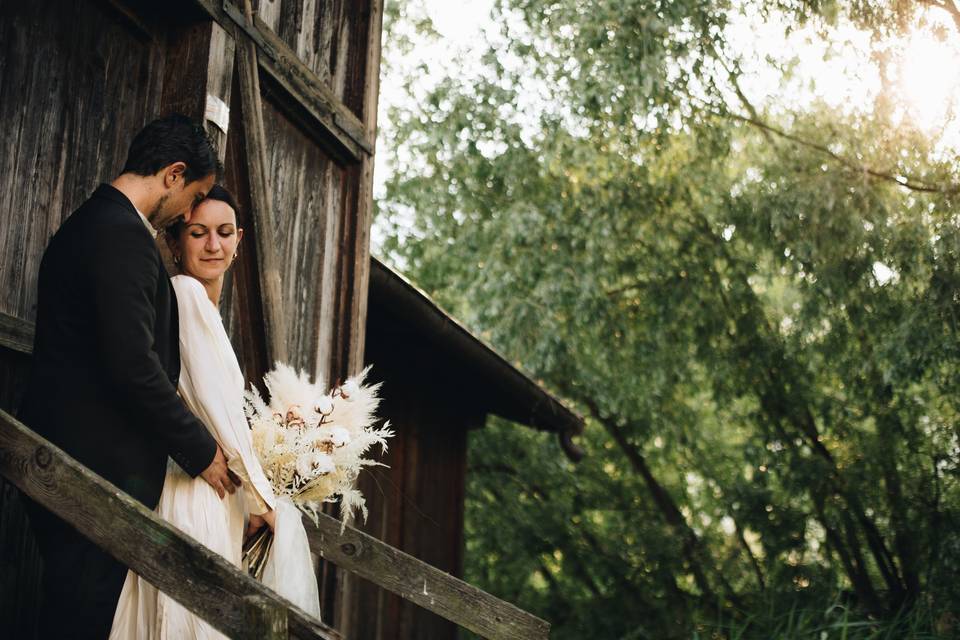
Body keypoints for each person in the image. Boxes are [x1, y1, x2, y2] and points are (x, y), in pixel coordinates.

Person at [19, 115, 241, 639]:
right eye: (194, 197)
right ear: (173, 174)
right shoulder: (118, 236)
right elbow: (133, 366)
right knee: (81, 619)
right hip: (89, 469)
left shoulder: (97, 225)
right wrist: (202, 451)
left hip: (81, 461)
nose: (189, 212)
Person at [109, 185, 321, 639]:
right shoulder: (184, 294)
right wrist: (262, 501)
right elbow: (217, 410)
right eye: (198, 233)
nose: (213, 245)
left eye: (224, 233)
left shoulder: (205, 307)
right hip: (193, 490)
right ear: (175, 242)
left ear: (239, 240)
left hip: (216, 492)